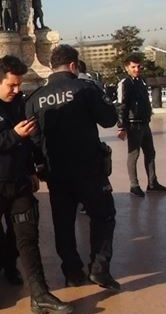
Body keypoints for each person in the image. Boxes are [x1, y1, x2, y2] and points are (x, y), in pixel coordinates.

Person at [0, 55, 71, 313]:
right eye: (11, 85)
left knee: (27, 237)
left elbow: (29, 140)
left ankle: (40, 293)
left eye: (19, 85)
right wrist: (13, 135)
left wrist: (33, 168)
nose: (16, 90)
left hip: (19, 182)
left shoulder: (19, 103)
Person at [26, 45, 120, 292]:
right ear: (73, 65)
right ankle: (99, 269)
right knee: (103, 216)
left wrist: (41, 164)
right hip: (89, 168)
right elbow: (109, 119)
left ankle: (72, 272)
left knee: (63, 223)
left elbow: (33, 138)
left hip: (56, 172)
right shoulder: (85, 88)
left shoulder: (35, 98)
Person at [117, 54, 166, 197]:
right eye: (133, 67)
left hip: (144, 123)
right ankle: (134, 185)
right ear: (127, 67)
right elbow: (121, 105)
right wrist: (122, 127)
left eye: (139, 66)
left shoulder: (141, 81)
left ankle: (152, 183)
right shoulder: (125, 83)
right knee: (133, 155)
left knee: (150, 153)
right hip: (134, 124)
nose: (136, 69)